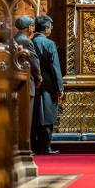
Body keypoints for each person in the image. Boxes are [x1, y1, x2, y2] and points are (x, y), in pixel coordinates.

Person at [31, 15, 64, 154]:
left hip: (33, 80)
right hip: (48, 82)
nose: (51, 29)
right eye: (50, 26)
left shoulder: (30, 42)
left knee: (34, 114)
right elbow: (55, 67)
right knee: (47, 114)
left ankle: (33, 146)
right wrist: (60, 87)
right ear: (45, 28)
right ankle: (46, 147)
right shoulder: (49, 43)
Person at [14, 16, 43, 125]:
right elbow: (34, 61)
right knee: (26, 120)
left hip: (15, 83)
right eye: (32, 26)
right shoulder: (26, 41)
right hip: (26, 84)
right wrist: (38, 77)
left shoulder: (13, 39)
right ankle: (25, 142)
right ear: (29, 28)